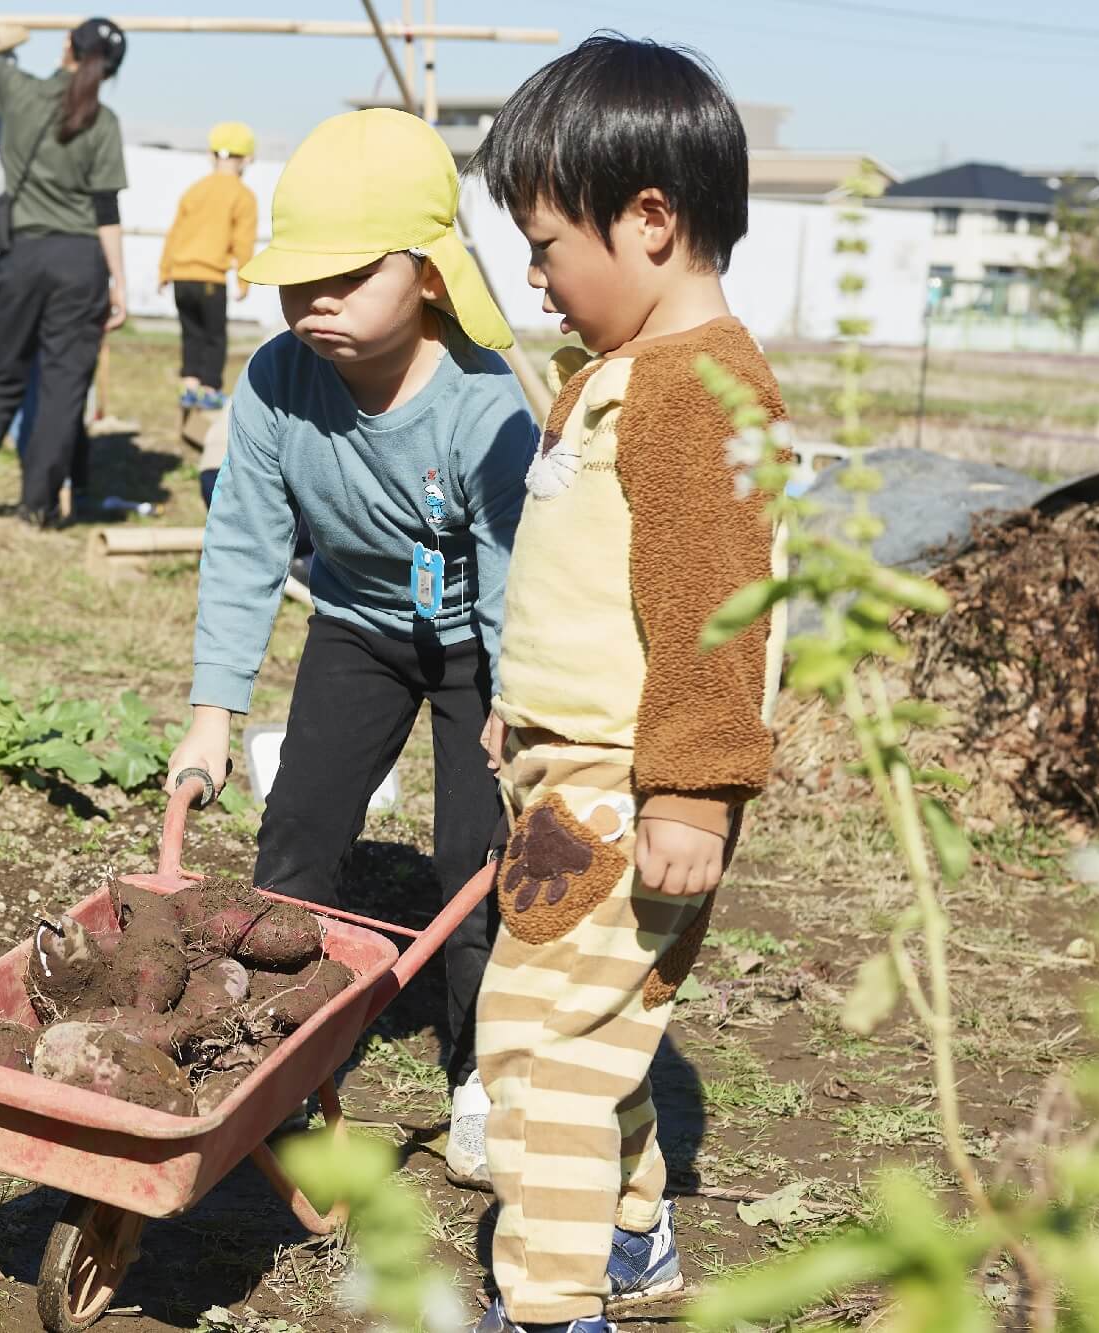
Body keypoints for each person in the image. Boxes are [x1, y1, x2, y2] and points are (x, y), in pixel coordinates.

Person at [465, 36, 785, 1333]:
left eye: (547, 246)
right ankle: (631, 1231)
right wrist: (520, 703)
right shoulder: (624, 376)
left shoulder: (696, 393)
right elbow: (591, 580)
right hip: (573, 769)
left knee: (534, 1054)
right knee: (597, 1023)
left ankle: (550, 1309)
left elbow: (716, 606)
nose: (536, 279)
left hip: (625, 788)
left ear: (650, 218)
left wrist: (695, 791)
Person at [165, 109, 537, 1186]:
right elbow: (242, 542)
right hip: (358, 632)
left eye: (344, 276)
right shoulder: (280, 382)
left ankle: (479, 1074)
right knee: (293, 841)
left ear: (426, 274)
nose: (311, 301)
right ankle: (269, 1048)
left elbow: (517, 573)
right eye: (295, 280)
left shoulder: (481, 408)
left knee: (477, 865)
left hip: (479, 649)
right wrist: (209, 712)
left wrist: (516, 707)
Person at [0, 2, 130, 527]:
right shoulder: (104, 121)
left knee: (4, 377)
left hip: (24, 258)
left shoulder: (19, 92)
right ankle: (36, 508)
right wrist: (120, 284)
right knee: (64, 390)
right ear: (110, 70)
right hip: (81, 262)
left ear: (67, 47)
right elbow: (106, 210)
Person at [158, 121, 258, 411]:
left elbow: (175, 232)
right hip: (210, 279)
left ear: (211, 155)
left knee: (191, 334)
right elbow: (243, 242)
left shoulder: (194, 190)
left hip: (181, 276)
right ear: (248, 158)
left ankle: (189, 387)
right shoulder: (243, 196)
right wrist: (243, 279)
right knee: (215, 337)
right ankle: (210, 389)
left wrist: (165, 270)